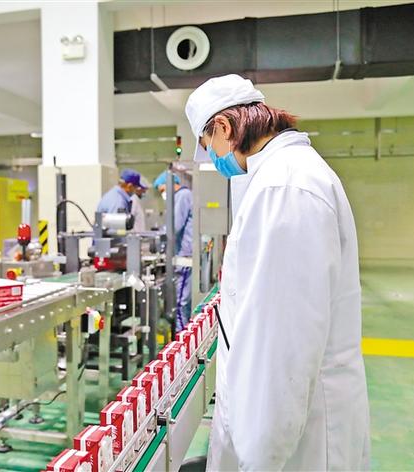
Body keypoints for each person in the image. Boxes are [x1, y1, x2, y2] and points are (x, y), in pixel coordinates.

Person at [185, 74, 370, 470]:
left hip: (296, 443)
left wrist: (261, 459)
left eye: (207, 145)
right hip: (290, 427)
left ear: (224, 128)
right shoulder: (280, 177)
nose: (213, 158)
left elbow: (282, 349)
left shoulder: (285, 188)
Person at [153, 172, 193, 332]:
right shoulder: (183, 196)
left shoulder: (182, 196)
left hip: (185, 257)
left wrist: (157, 237)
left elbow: (173, 226)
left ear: (170, 184)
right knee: (183, 302)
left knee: (180, 303)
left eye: (163, 190)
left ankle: (182, 339)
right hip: (184, 255)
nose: (163, 194)